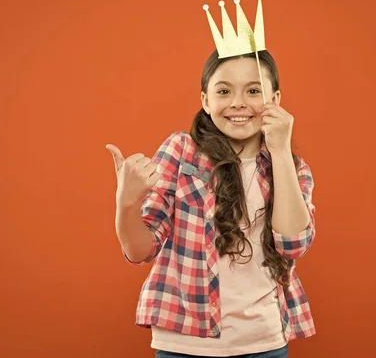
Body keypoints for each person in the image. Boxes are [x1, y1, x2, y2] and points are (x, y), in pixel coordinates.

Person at [106, 48, 316, 358]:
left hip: (264, 343)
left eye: (254, 90)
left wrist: (281, 150)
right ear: (206, 100)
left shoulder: (293, 169)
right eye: (224, 90)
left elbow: (294, 244)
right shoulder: (181, 151)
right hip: (183, 343)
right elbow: (139, 251)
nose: (238, 102)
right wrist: (126, 203)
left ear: (275, 100)